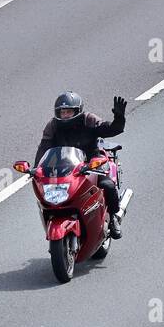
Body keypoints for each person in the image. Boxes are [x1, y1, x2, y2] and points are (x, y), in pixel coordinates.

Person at [35, 93, 128, 239]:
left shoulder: (89, 120)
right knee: (49, 192)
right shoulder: (52, 126)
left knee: (107, 185)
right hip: (65, 167)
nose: (65, 115)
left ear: (77, 111)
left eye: (68, 112)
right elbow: (43, 148)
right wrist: (37, 170)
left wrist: (119, 118)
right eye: (62, 112)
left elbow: (111, 129)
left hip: (92, 162)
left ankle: (114, 217)